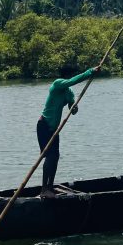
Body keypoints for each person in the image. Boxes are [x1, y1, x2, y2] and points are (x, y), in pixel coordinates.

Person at [37, 66, 99, 198]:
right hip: (44, 124)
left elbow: (72, 107)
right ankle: (44, 189)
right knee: (49, 156)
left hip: (54, 128)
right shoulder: (58, 83)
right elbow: (73, 81)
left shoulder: (68, 92)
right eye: (71, 76)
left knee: (55, 157)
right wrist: (89, 72)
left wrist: (74, 107)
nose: (71, 79)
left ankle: (50, 186)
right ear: (67, 76)